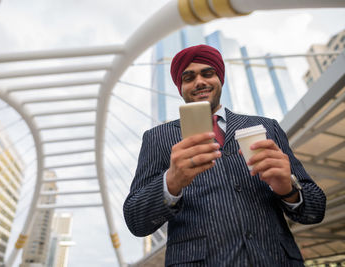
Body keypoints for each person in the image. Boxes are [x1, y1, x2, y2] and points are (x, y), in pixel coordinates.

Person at [123, 44, 326, 266]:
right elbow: (136, 220)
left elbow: (315, 211)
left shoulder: (267, 127)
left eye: (207, 73)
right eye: (188, 77)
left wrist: (288, 189)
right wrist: (170, 183)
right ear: (180, 88)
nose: (199, 81)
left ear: (220, 78)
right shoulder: (157, 138)